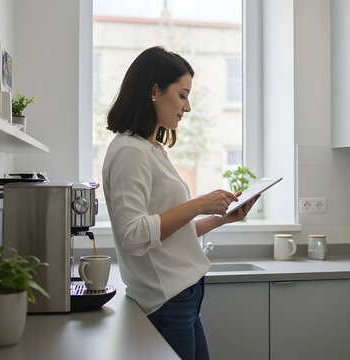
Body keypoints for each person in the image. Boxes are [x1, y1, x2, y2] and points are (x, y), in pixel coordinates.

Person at [102, 46, 259, 360]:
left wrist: (223, 218)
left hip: (183, 298)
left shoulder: (151, 148)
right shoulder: (129, 151)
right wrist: (199, 204)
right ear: (155, 91)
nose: (187, 107)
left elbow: (168, 233)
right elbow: (133, 236)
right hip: (167, 303)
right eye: (183, 94)